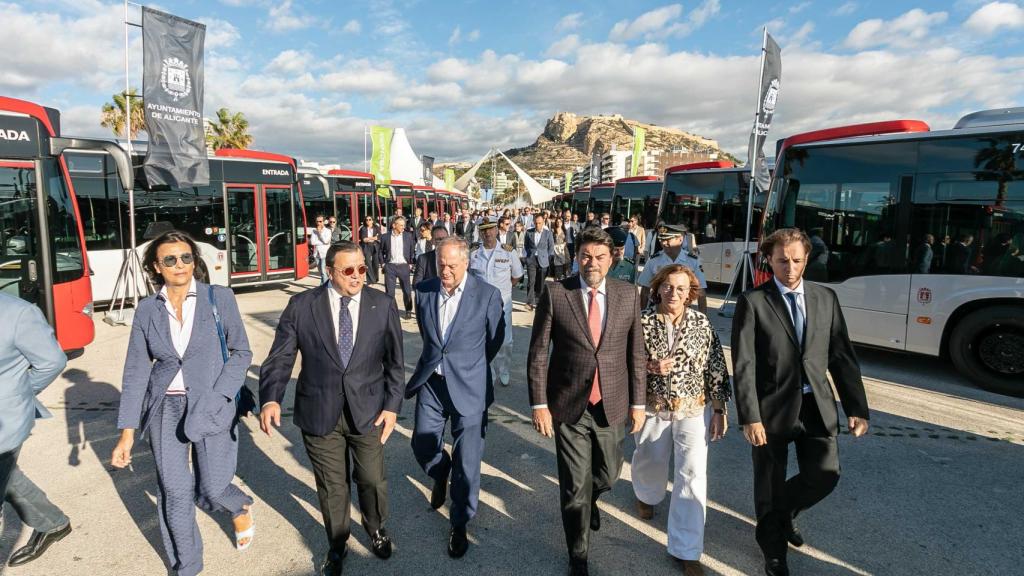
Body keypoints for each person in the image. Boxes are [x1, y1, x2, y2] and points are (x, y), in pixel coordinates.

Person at [112, 231, 254, 576]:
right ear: (156, 267)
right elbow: (135, 372)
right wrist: (127, 433)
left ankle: (238, 506)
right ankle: (186, 566)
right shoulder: (147, 310)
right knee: (174, 492)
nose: (180, 265)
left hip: (212, 403)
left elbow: (242, 352)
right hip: (165, 408)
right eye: (170, 259)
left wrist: (222, 395)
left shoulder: (219, 298)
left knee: (214, 487)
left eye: (186, 257)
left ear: (195, 260)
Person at [259, 241, 404, 576]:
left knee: (371, 479)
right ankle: (337, 543)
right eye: (349, 270)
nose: (357, 277)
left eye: (363, 269)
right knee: (332, 485)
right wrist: (270, 397)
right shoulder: (301, 305)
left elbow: (395, 363)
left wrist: (393, 406)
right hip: (319, 410)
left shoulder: (381, 304)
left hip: (368, 410)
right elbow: (281, 357)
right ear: (329, 271)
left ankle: (376, 528)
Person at [731, 228, 870, 576]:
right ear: (769, 260)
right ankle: (774, 552)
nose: (789, 268)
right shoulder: (754, 301)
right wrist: (750, 416)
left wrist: (856, 407)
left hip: (816, 407)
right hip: (770, 410)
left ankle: (780, 516)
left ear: (806, 259)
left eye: (796, 260)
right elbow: (744, 363)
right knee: (769, 482)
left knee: (825, 474)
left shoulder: (826, 298)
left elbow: (841, 356)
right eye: (781, 260)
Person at [527, 227, 646, 576]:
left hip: (611, 402)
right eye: (585, 256)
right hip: (568, 405)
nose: (591, 263)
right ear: (576, 256)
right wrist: (539, 405)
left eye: (599, 257)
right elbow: (537, 354)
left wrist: (638, 403)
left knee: (608, 475)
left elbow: (635, 353)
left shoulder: (629, 295)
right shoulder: (556, 293)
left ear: (613, 259)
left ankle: (593, 498)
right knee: (574, 488)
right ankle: (578, 555)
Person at [406, 238, 505, 559]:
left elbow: (494, 339)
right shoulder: (424, 291)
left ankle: (460, 521)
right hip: (432, 384)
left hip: (471, 386)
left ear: (465, 263)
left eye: (451, 265)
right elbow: (428, 335)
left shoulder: (487, 296)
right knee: (422, 444)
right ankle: (439, 470)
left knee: (468, 462)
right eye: (440, 264)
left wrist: (467, 363)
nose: (445, 271)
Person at [631, 264, 729, 576]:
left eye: (682, 289)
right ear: (658, 288)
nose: (674, 293)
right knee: (650, 458)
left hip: (692, 409)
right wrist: (649, 366)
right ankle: (646, 495)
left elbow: (715, 366)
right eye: (669, 287)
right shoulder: (642, 321)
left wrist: (718, 409)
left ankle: (687, 549)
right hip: (652, 408)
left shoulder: (701, 322)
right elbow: (624, 360)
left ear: (690, 293)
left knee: (692, 474)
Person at [0, 294, 72, 568]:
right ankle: (52, 523)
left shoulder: (18, 313)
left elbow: (52, 361)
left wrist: (20, 392)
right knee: (7, 477)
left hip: (4, 418)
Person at [470, 216, 524, 387]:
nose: (487, 233)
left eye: (490, 229)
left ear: (496, 230)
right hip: (480, 306)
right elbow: (470, 279)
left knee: (506, 341)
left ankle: (504, 369)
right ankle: (491, 371)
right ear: (480, 232)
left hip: (503, 304)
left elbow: (517, 276)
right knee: (485, 340)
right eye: (483, 230)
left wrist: (505, 289)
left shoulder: (508, 252)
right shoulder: (473, 253)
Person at [639, 225, 708, 314]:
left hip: (683, 311)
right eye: (661, 239)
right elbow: (645, 290)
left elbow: (701, 291)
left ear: (680, 239)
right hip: (657, 311)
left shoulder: (692, 261)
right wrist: (641, 314)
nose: (664, 243)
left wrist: (703, 318)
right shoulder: (653, 260)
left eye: (668, 239)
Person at [380, 216, 415, 320]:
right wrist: (383, 264)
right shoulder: (385, 237)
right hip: (390, 266)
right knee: (390, 292)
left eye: (404, 225)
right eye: (401, 225)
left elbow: (412, 250)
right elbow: (380, 251)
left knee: (407, 291)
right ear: (394, 225)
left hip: (404, 266)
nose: (403, 227)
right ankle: (391, 312)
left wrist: (410, 263)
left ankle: (408, 310)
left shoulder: (408, 236)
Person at [524, 214, 554, 310]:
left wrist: (546, 258)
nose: (537, 225)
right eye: (536, 223)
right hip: (532, 259)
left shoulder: (548, 233)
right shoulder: (529, 232)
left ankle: (539, 301)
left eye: (539, 223)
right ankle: (529, 303)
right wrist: (530, 254)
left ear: (543, 223)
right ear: (533, 223)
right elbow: (526, 245)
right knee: (531, 281)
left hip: (543, 261)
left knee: (540, 283)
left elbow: (551, 248)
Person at [359, 216, 382, 285]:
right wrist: (373, 238)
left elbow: (379, 236)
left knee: (375, 263)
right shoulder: (363, 228)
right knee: (368, 263)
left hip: (375, 246)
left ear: (372, 221)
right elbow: (364, 239)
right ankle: (370, 280)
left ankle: (375, 278)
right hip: (366, 246)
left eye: (370, 219)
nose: (368, 221)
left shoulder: (376, 228)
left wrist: (370, 238)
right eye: (367, 220)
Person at [311, 215, 333, 284]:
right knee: (321, 272)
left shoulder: (328, 231)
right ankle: (324, 286)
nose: (318, 223)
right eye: (317, 221)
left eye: (320, 221)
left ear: (323, 222)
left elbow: (326, 241)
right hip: (317, 254)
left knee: (324, 272)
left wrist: (320, 234)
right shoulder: (314, 231)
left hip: (324, 254)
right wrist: (321, 242)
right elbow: (312, 242)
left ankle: (324, 288)